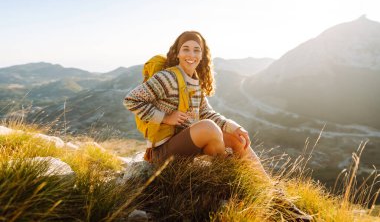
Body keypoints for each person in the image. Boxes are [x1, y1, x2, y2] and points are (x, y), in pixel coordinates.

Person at [124, 31, 312, 221]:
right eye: (186, 49)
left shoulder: (194, 81)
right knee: (209, 128)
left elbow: (207, 112)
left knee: (236, 139)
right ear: (177, 53)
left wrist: (233, 126)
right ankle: (226, 174)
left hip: (185, 146)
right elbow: (131, 100)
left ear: (203, 54)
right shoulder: (168, 78)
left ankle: (275, 197)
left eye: (197, 50)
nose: (191, 55)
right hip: (162, 153)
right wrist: (165, 117)